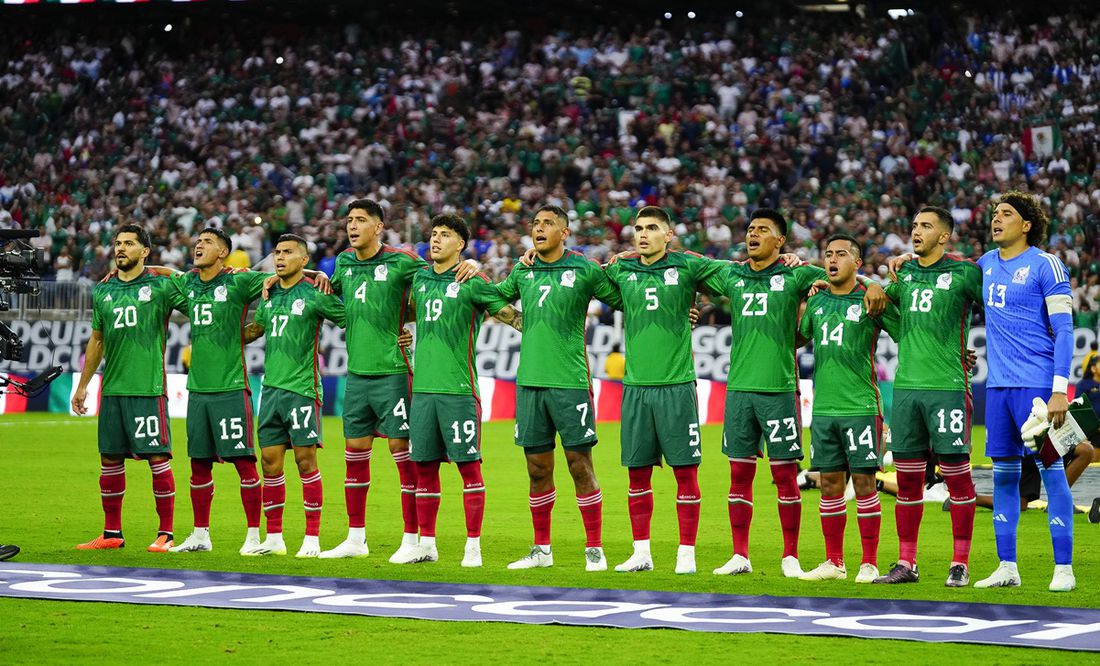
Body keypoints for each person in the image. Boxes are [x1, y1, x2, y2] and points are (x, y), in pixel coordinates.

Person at [704, 209, 886, 578]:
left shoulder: (798, 273)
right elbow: (686, 269)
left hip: (781, 390)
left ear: (780, 240)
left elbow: (844, 276)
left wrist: (873, 283)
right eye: (750, 230)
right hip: (738, 391)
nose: (753, 235)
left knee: (785, 475)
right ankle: (740, 555)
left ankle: (790, 556)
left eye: (763, 230)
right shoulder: (732, 273)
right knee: (738, 475)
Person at [319, 199, 479, 562]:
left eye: (361, 220)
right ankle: (356, 538)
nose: (352, 226)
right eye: (349, 220)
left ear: (378, 227)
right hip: (357, 374)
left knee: (404, 457)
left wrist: (472, 263)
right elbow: (342, 299)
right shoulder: (343, 262)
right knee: (354, 455)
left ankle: (412, 538)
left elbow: (438, 278)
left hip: (394, 372)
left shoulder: (403, 260)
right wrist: (316, 276)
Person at [495, 204, 622, 572]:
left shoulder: (583, 268)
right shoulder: (524, 268)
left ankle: (594, 550)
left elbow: (623, 296)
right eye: (535, 223)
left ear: (564, 233)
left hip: (570, 383)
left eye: (548, 223)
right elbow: (493, 297)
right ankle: (541, 550)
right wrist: (518, 320)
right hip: (530, 383)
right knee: (537, 469)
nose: (539, 228)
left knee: (579, 465)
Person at [602, 206, 724, 575]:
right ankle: (642, 553)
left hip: (677, 387)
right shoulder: (623, 269)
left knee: (685, 473)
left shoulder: (687, 266)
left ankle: (686, 556)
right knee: (637, 475)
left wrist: (789, 261)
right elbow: (588, 275)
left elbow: (740, 275)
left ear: (668, 235)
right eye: (638, 228)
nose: (642, 234)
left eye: (652, 228)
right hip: (636, 389)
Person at [395, 214, 521, 567]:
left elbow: (511, 315)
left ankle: (473, 547)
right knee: (424, 469)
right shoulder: (419, 277)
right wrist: (403, 329)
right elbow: (402, 309)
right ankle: (426, 545)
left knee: (468, 468)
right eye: (433, 234)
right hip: (422, 392)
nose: (436, 240)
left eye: (445, 235)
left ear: (460, 244)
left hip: (459, 392)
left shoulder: (473, 281)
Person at [876, 206, 982, 587]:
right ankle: (907, 562)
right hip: (905, 391)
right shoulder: (902, 274)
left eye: (925, 226)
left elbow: (1000, 309)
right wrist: (871, 284)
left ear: (944, 236)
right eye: (914, 225)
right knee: (907, 482)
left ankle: (960, 562)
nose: (916, 231)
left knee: (957, 479)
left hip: (948, 389)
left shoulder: (965, 272)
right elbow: (878, 305)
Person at [975, 191, 1076, 592]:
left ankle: (1064, 569)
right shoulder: (983, 264)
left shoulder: (1046, 265)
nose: (997, 219)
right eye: (995, 214)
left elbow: (1065, 330)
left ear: (1027, 224)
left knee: (1052, 472)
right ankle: (1007, 567)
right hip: (998, 388)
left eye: (1006, 214)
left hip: (1037, 387)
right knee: (1003, 477)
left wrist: (1059, 390)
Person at [72, 224, 187, 552]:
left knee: (157, 459)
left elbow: (196, 292)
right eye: (118, 243)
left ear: (144, 252)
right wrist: (82, 386)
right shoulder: (103, 291)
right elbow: (97, 341)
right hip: (112, 391)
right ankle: (111, 534)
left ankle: (166, 533)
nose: (120, 248)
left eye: (129, 244)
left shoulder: (161, 286)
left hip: (147, 390)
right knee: (109, 461)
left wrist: (167, 270)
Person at [240, 234, 346, 558]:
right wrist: (220, 335)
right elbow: (256, 329)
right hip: (270, 391)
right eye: (276, 252)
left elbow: (350, 319)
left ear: (303, 260)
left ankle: (312, 538)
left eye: (288, 252)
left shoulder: (315, 294)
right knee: (270, 464)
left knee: (305, 462)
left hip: (302, 391)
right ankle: (274, 538)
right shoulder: (268, 295)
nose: (280, 257)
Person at [796, 234, 893, 583]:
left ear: (857, 262)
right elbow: (797, 338)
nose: (832, 259)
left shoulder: (871, 299)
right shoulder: (819, 302)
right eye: (828, 254)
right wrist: (801, 299)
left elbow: (905, 332)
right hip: (824, 409)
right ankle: (834, 562)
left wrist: (873, 285)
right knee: (829, 485)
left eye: (841, 254)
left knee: (866, 483)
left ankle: (869, 563)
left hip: (861, 406)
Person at [166, 228, 269, 555]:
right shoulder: (190, 284)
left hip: (231, 389)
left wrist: (316, 272)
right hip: (198, 391)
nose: (199, 245)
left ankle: (254, 537)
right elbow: (165, 275)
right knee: (198, 465)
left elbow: (281, 276)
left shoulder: (239, 280)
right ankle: (200, 535)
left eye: (207, 242)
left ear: (223, 252)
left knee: (244, 463)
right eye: (198, 241)